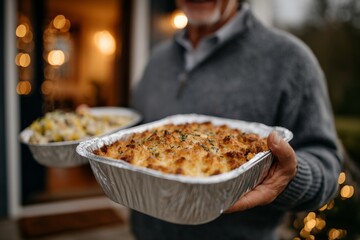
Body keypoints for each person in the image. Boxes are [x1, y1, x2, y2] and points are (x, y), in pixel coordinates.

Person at [130, 0, 343, 239]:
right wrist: (93, 128)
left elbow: (328, 168)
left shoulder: (290, 59)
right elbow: (137, 137)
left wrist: (288, 177)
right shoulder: (158, 59)